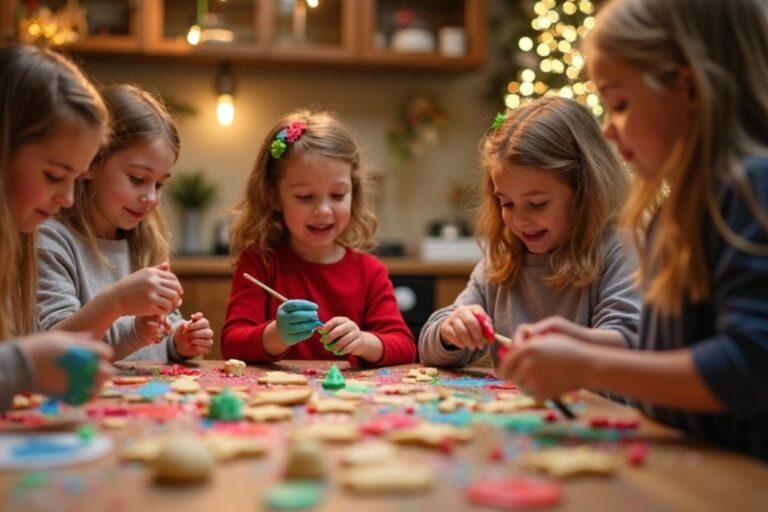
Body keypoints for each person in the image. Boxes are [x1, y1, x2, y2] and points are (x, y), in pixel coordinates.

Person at [498, 0, 768, 461]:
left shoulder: (750, 191)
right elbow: (672, 352)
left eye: (619, 104)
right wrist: (577, 340)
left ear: (688, 89)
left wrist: (589, 364)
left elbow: (748, 367)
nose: (608, 129)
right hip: (688, 469)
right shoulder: (674, 214)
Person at [419, 97, 640, 368]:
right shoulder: (504, 258)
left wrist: (563, 354)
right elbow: (430, 349)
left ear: (586, 192)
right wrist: (450, 332)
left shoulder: (622, 251)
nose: (519, 219)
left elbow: (628, 347)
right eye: (506, 203)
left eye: (537, 204)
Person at [222, 109, 416, 366]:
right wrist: (277, 334)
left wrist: (364, 342)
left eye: (338, 195)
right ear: (273, 196)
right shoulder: (260, 264)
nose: (323, 210)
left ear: (353, 192)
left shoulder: (370, 272)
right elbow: (231, 344)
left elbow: (404, 346)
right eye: (305, 197)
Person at [37, 84, 213, 362]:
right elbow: (53, 348)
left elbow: (162, 328)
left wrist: (180, 338)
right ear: (91, 163)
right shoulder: (51, 240)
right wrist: (121, 308)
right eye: (137, 179)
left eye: (159, 184)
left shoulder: (146, 240)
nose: (151, 198)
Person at [0, 44, 113, 409]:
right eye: (54, 176)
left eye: (76, 180)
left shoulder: (14, 243)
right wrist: (23, 366)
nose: (67, 199)